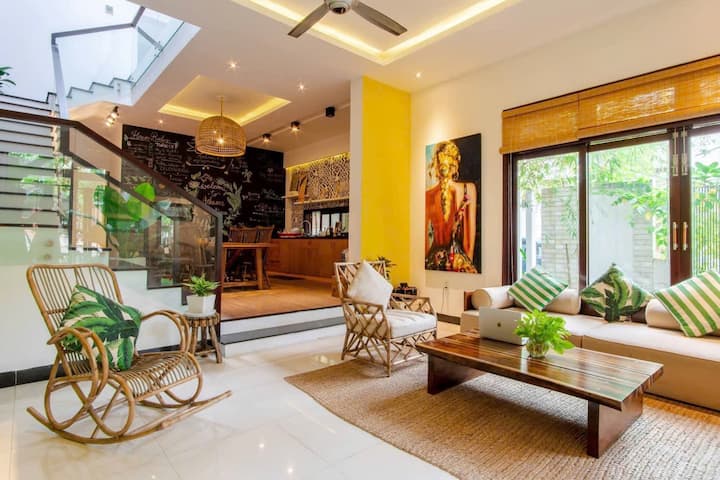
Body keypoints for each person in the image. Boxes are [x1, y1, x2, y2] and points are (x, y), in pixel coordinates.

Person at [425, 140, 478, 272]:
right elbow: (468, 245)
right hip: (457, 263)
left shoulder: (428, 195)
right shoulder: (468, 189)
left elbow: (425, 246)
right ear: (454, 165)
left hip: (433, 263)